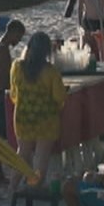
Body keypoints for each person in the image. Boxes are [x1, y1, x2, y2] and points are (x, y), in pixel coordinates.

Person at [10, 32, 66, 184]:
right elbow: (60, 97)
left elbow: (14, 94)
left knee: (22, 154)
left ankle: (12, 186)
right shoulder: (51, 72)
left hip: (23, 117)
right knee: (41, 157)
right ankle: (35, 187)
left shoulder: (17, 67)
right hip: (46, 119)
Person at [0, 19, 26, 186]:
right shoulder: (2, 50)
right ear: (13, 32)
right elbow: (3, 80)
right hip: (1, 94)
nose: (18, 41)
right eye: (19, 37)